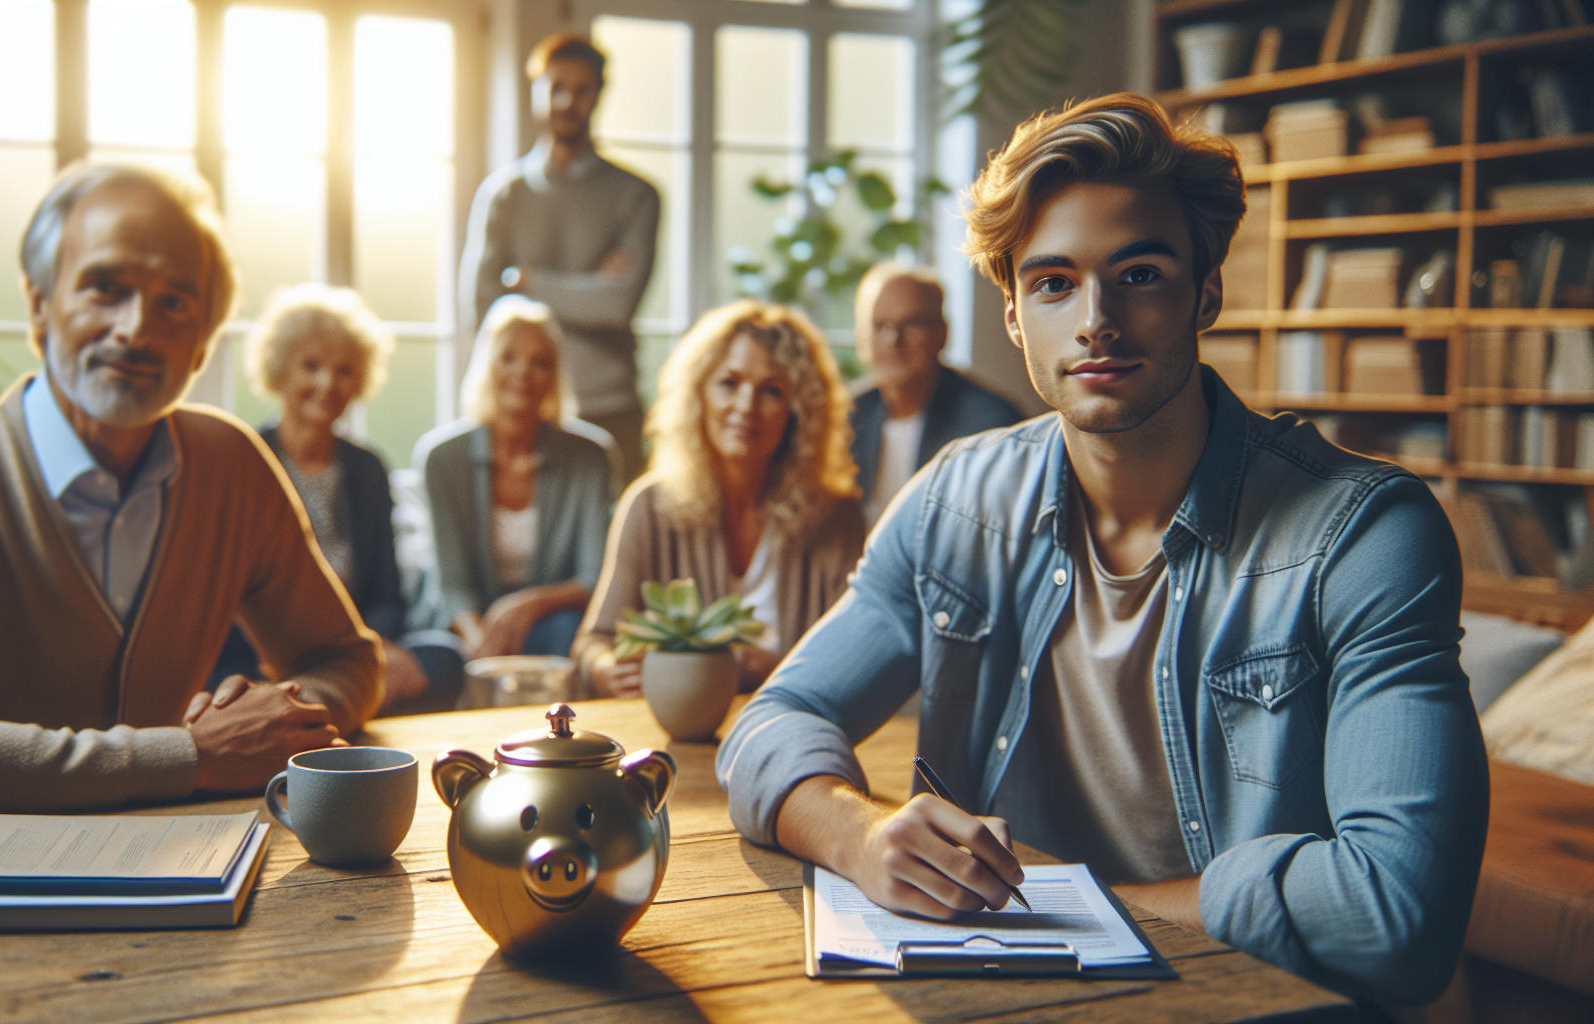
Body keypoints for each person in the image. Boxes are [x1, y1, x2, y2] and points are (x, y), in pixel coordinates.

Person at [716, 94, 1487, 1007]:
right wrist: (859, 837)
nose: (1096, 320)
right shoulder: (955, 503)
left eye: (1140, 274)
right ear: (1013, 314)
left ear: (1206, 293)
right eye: (1054, 283)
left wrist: (1087, 916)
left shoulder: (1361, 534)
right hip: (1010, 998)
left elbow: (1398, 915)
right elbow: (774, 720)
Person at [0, 162, 381, 881]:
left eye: (174, 303)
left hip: (143, 855)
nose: (136, 330)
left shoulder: (232, 464)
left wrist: (281, 722)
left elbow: (347, 660)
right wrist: (194, 755)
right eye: (105, 287)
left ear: (202, 343)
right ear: (39, 306)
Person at [576, 300, 864, 698]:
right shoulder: (647, 506)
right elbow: (593, 643)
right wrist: (607, 668)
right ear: (698, 394)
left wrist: (773, 670)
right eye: (729, 383)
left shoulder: (837, 517)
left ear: (798, 412)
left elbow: (854, 662)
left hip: (793, 720)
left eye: (772, 391)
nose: (746, 405)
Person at [224, 283, 463, 712]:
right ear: (279, 369)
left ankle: (314, 710)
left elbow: (387, 597)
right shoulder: (245, 459)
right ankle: (318, 707)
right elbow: (230, 599)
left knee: (444, 659)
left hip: (353, 648)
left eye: (344, 371)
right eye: (311, 366)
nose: (327, 383)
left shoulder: (368, 468)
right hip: (267, 654)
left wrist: (368, 648)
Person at [459, 32, 660, 480]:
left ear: (599, 95)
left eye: (581, 89)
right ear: (535, 91)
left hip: (609, 409)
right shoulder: (503, 195)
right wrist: (586, 288)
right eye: (556, 88)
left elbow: (615, 304)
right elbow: (483, 308)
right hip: (520, 412)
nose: (567, 101)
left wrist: (525, 281)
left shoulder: (636, 196)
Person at [415, 296, 615, 661]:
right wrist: (481, 644)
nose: (522, 372)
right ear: (487, 365)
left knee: (567, 629)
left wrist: (525, 605)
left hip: (551, 623)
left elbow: (593, 576)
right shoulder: (441, 458)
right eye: (508, 357)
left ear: (554, 377)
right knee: (442, 655)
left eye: (539, 362)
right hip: (466, 626)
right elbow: (451, 585)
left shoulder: (591, 457)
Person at [848, 262, 1020, 521]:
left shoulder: (990, 425)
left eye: (911, 324)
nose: (893, 340)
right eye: (880, 325)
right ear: (862, 337)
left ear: (942, 333)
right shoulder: (847, 414)